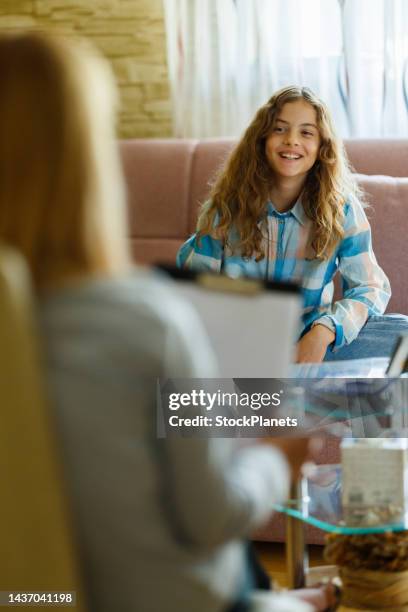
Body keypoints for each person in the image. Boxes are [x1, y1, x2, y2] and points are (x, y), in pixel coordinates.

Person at [0, 32, 335, 612]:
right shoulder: (145, 321)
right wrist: (274, 459)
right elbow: (212, 516)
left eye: (306, 131)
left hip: (32, 594)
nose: (292, 141)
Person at [177, 86, 408, 363]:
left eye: (306, 132)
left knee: (401, 331)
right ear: (261, 139)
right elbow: (193, 292)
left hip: (309, 345)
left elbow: (370, 288)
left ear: (322, 147)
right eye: (280, 129)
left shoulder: (341, 209)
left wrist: (323, 331)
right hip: (237, 345)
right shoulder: (227, 207)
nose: (292, 141)